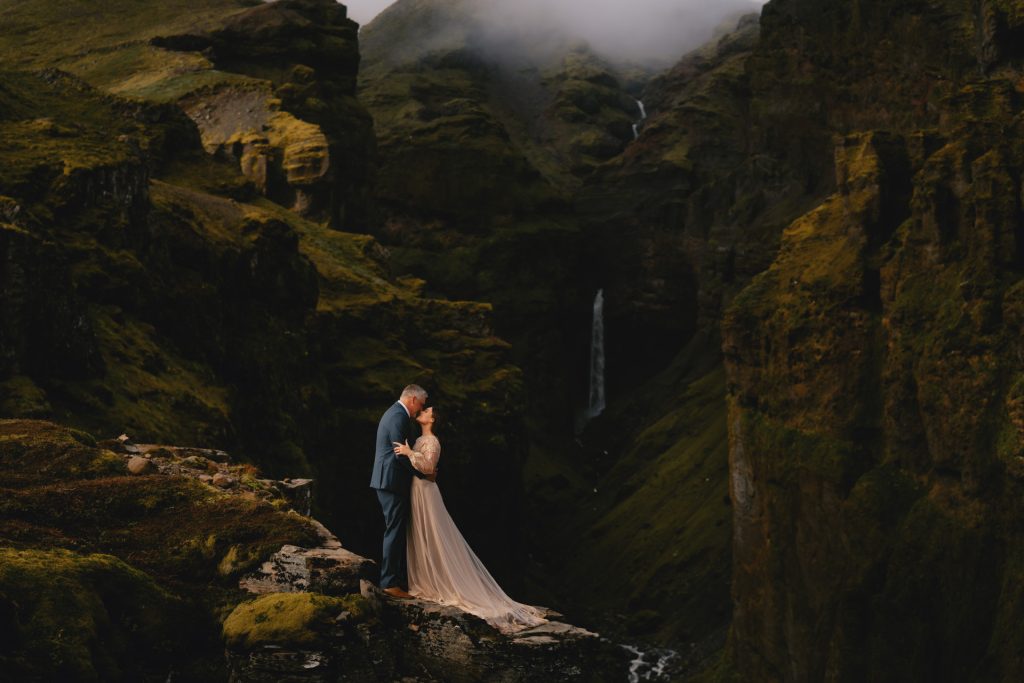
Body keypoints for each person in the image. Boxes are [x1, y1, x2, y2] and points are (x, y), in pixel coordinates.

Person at [394, 406, 548, 633]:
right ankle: (426, 578)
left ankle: (438, 579)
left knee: (434, 533)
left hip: (426, 491)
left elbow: (427, 467)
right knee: (420, 532)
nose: (424, 410)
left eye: (427, 410)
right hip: (418, 489)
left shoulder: (432, 441)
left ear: (432, 419)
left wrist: (409, 454)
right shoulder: (419, 439)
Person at [370, 384, 429, 599]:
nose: (419, 410)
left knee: (394, 529)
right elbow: (399, 454)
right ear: (413, 399)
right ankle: (389, 583)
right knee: (394, 531)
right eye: (420, 405)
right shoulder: (398, 416)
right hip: (391, 481)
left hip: (389, 481)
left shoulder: (395, 414)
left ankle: (394, 579)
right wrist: (423, 475)